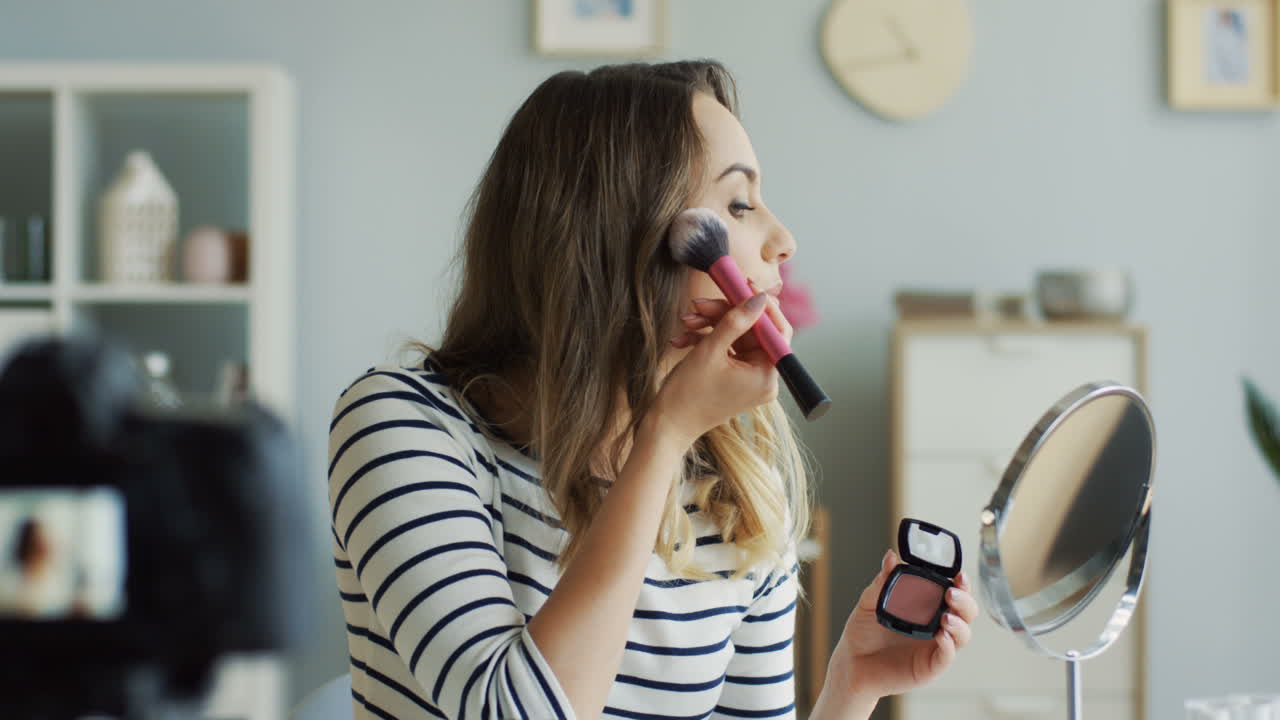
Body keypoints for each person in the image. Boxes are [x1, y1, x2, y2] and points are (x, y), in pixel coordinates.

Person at [328, 60, 977, 720]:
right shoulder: (403, 427)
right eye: (739, 204)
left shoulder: (738, 492)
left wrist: (853, 686)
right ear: (616, 237)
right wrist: (663, 436)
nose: (783, 241)